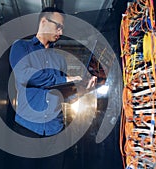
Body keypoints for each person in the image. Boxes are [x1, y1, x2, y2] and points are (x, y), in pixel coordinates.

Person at [8, 6, 96, 169]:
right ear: (43, 21)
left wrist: (82, 89)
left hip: (55, 132)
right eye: (58, 26)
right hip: (27, 129)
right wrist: (65, 78)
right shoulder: (21, 47)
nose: (61, 32)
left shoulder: (60, 60)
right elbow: (25, 76)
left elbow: (64, 95)